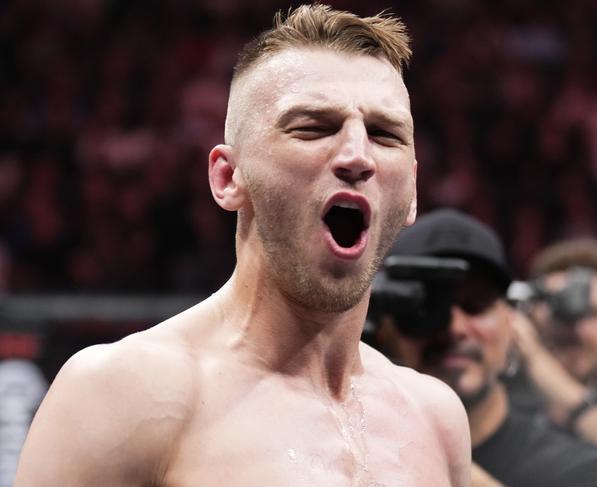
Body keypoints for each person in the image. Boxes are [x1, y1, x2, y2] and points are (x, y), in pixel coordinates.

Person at [14, 5, 471, 486]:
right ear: (229, 177)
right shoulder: (122, 394)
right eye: (313, 127)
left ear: (413, 190)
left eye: (384, 134)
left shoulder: (436, 419)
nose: (358, 156)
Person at [372, 208, 597, 486]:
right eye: (427, 307)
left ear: (512, 324)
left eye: (477, 304)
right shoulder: (348, 454)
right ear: (386, 328)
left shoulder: (580, 470)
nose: (455, 328)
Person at [509, 238, 597, 487]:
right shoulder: (486, 413)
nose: (577, 329)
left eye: (594, 314)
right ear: (528, 312)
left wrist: (541, 365)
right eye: (561, 309)